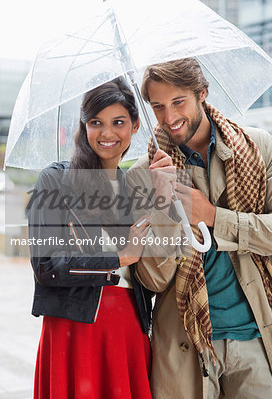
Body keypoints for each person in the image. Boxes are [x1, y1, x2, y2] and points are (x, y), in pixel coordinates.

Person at [126, 58, 272, 399]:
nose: (169, 117)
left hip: (258, 336)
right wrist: (163, 206)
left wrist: (212, 217)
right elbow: (153, 280)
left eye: (179, 102)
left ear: (202, 94)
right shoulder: (142, 175)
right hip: (186, 344)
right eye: (158, 106)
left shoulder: (258, 148)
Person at [27, 77, 152, 399]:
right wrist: (119, 259)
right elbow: (46, 266)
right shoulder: (55, 180)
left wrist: (162, 190)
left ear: (135, 126)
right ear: (84, 127)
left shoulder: (138, 186)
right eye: (96, 122)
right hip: (74, 326)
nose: (107, 133)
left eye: (119, 122)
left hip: (129, 325)